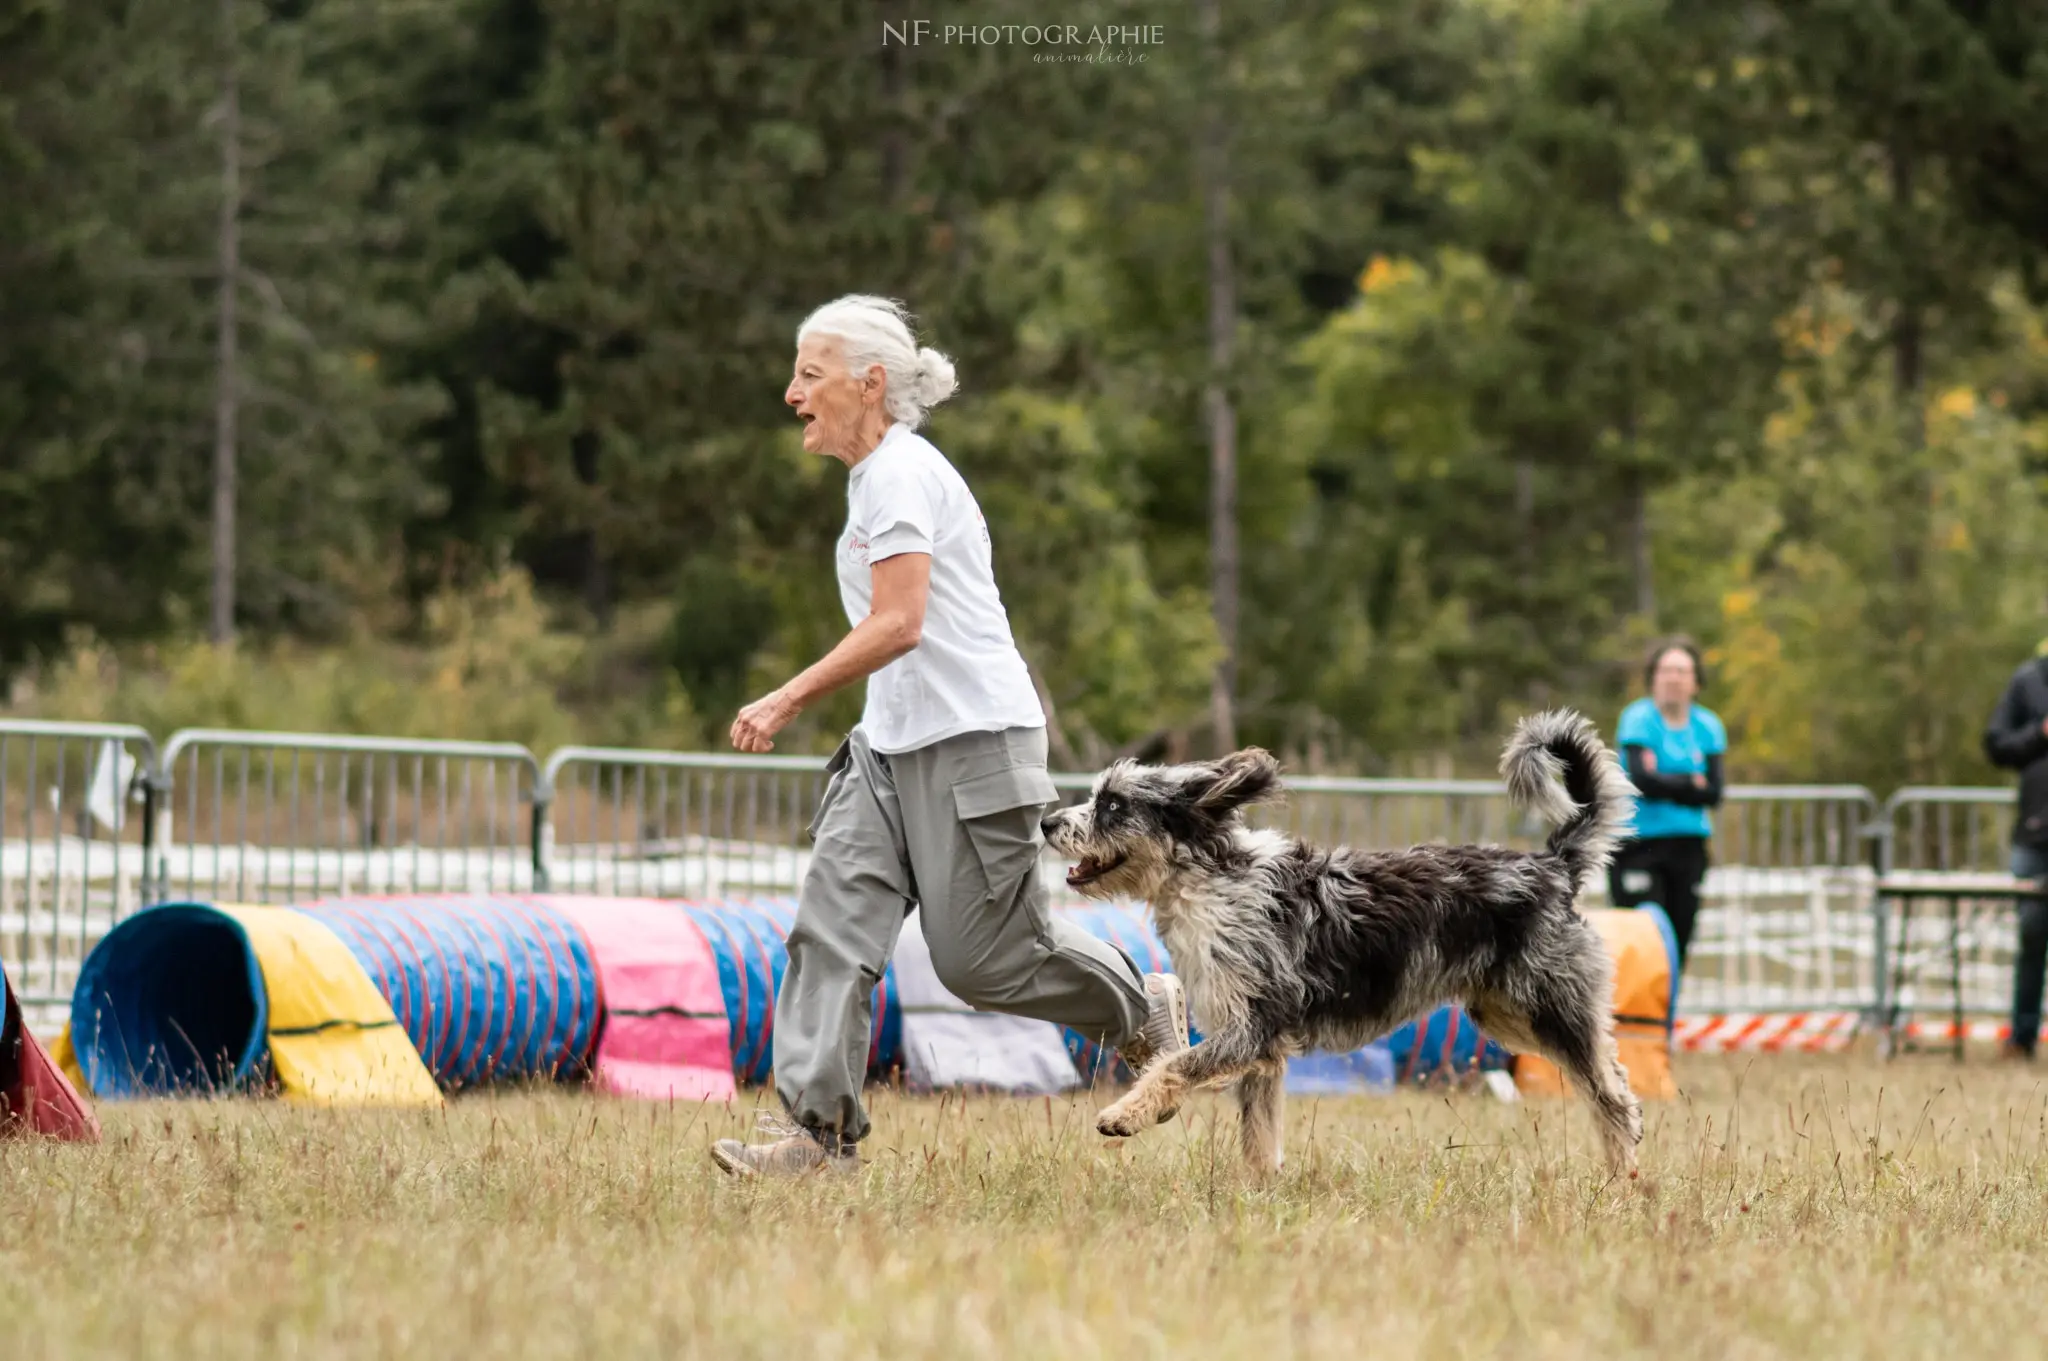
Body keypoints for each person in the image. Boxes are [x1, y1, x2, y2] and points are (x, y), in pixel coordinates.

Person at [710, 295, 1189, 1176]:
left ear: (871, 383)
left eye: (808, 375)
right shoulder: (870, 481)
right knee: (831, 929)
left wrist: (785, 697)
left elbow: (901, 622)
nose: (790, 394)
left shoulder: (902, 473)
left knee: (984, 962)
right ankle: (815, 1138)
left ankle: (1138, 1004)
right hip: (887, 748)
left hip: (976, 743)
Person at [1607, 638, 1726, 969]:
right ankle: (1625, 1015)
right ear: (1653, 677)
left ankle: (1665, 1016)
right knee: (1639, 936)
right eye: (1666, 670)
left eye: (1682, 671)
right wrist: (1690, 783)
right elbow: (1642, 780)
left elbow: (1714, 792)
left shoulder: (1708, 726)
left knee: (1679, 937)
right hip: (1638, 843)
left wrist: (1667, 780)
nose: (1673, 678)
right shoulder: (1638, 719)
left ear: (1696, 681)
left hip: (1688, 844)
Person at [1983, 642, 2048, 1060]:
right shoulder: (2029, 681)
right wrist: (2040, 734)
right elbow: (1996, 744)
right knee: (2032, 937)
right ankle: (2022, 1036)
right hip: (2036, 837)